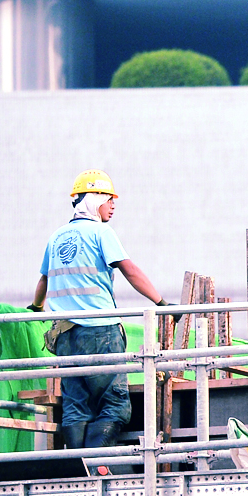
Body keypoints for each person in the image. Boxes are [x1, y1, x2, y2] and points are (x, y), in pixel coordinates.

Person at [28, 170, 167, 452]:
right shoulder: (102, 232)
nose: (113, 205)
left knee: (76, 406)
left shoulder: (56, 237)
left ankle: (79, 469)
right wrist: (161, 303)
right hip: (101, 332)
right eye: (109, 199)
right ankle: (96, 463)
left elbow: (44, 280)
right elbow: (129, 270)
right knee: (114, 405)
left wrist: (36, 308)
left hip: (66, 336)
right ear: (94, 200)